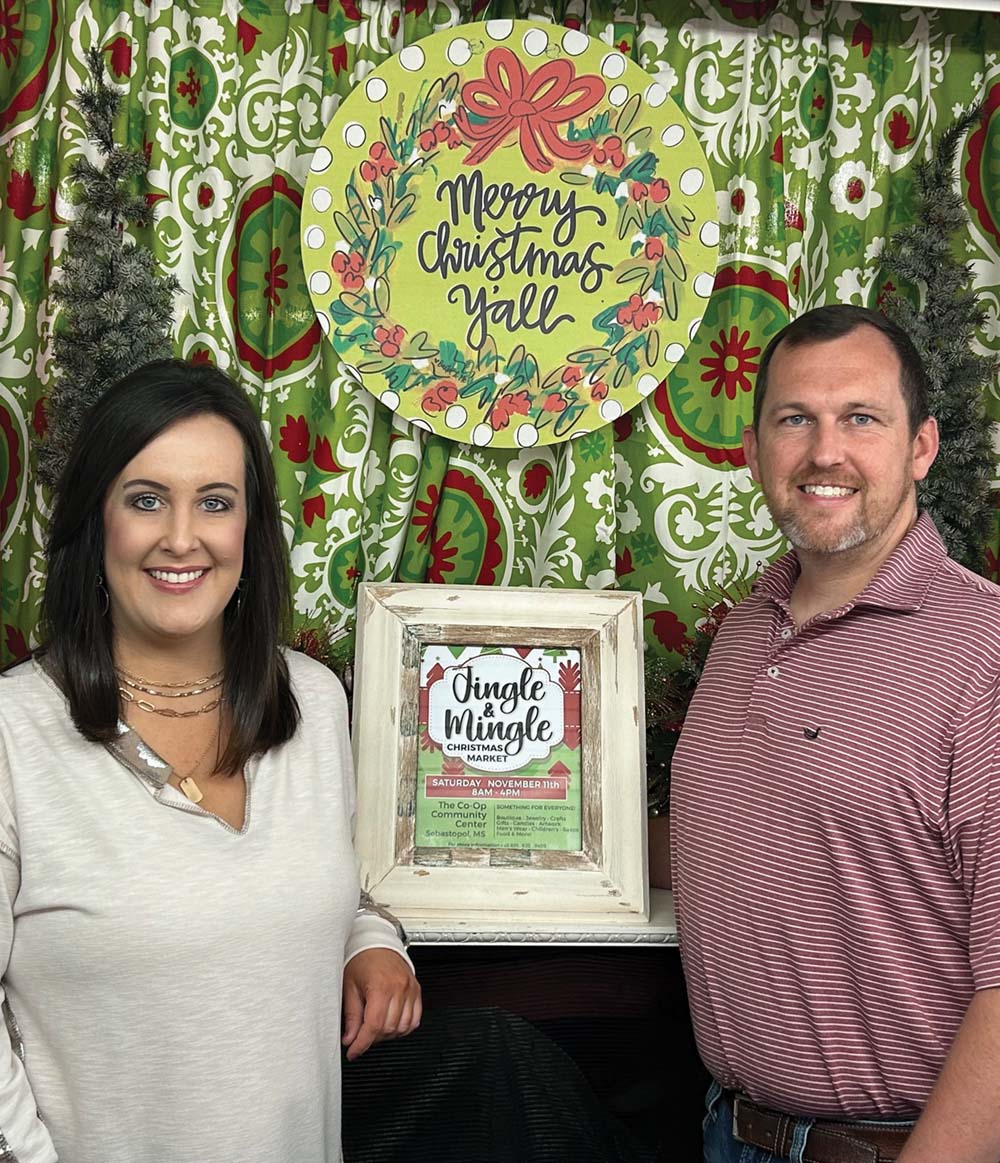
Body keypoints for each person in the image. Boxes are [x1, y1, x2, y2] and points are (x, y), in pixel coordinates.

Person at [0, 360, 421, 1163]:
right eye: (146, 499)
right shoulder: (12, 733)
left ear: (249, 530)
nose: (182, 536)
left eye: (215, 502)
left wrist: (370, 940)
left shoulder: (312, 700)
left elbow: (313, 882)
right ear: (95, 521)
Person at [670, 304, 1000, 1163]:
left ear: (921, 446)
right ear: (753, 452)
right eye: (795, 419)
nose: (825, 452)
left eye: (860, 418)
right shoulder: (747, 628)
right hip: (730, 1131)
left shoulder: (985, 650)